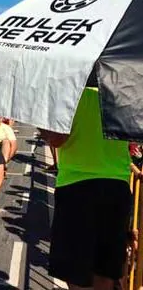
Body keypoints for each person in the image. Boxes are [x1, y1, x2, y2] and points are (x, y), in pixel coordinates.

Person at [39, 86, 131, 289]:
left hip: (77, 185)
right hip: (118, 184)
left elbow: (57, 138)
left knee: (76, 271)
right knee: (105, 271)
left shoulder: (69, 90)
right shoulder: (122, 90)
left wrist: (41, 124)